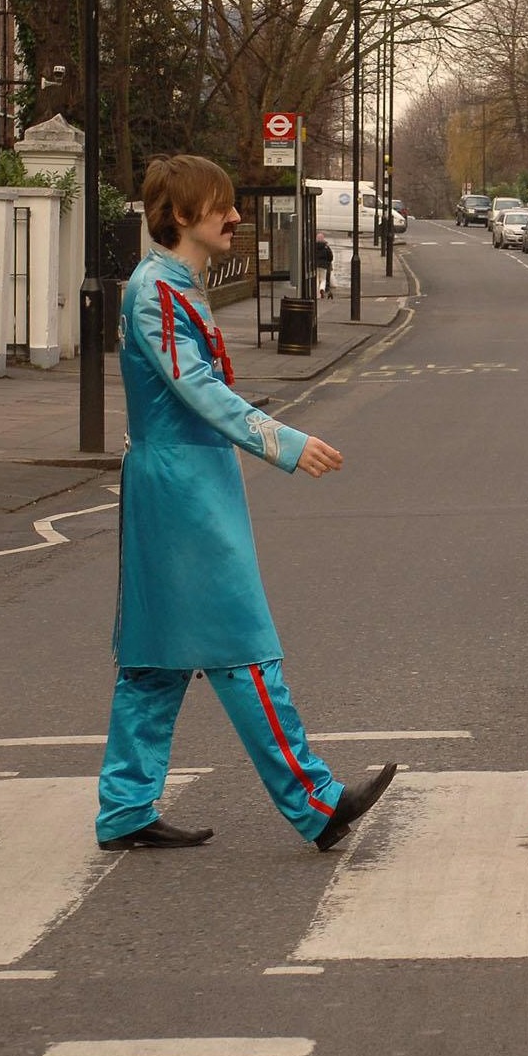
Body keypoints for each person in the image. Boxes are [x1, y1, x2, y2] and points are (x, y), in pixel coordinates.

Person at [100, 154, 395, 853]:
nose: (236, 216)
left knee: (155, 658)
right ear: (180, 217)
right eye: (221, 206)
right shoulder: (155, 292)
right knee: (242, 645)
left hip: (182, 475)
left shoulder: (173, 284)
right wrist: (284, 443)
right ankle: (314, 800)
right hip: (182, 485)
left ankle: (124, 808)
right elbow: (196, 388)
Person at [312, 232, 336, 299]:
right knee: (323, 280)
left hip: (315, 265)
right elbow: (330, 256)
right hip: (324, 266)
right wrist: (328, 262)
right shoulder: (326, 247)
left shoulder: (313, 246)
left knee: (316, 279)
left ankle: (317, 294)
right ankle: (322, 289)